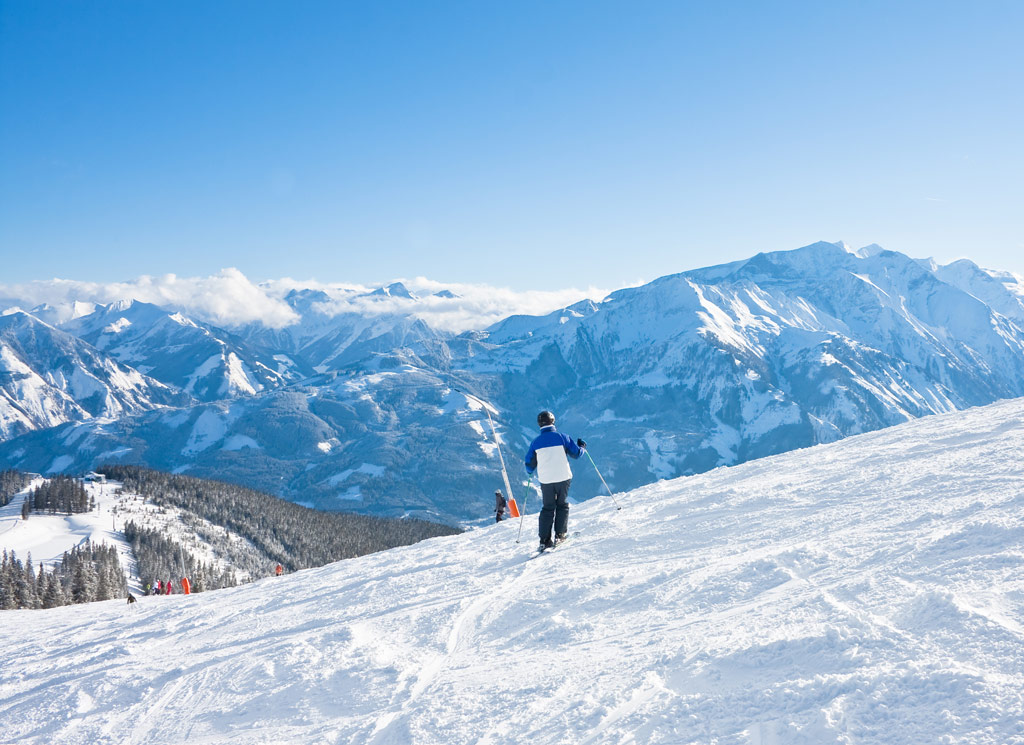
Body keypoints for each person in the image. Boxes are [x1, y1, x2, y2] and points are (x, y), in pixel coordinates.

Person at [524, 410, 586, 550]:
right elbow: (576, 454)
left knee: (548, 508)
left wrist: (530, 472)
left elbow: (529, 463)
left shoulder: (535, 442)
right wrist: (582, 447)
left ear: (539, 424)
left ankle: (544, 541)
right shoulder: (562, 437)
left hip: (546, 479)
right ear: (553, 421)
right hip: (563, 477)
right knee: (562, 505)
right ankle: (560, 536)